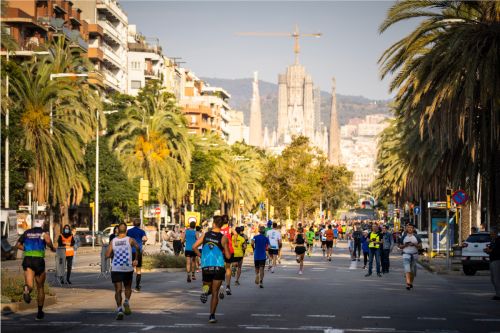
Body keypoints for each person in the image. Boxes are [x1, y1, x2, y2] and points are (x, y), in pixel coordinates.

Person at [193, 215, 231, 323]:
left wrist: (201, 256)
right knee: (215, 292)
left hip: (206, 266)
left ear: (213, 224)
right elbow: (228, 256)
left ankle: (204, 292)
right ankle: (212, 316)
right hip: (218, 267)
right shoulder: (224, 238)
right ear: (221, 225)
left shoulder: (206, 235)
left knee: (206, 285)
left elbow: (194, 247)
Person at [16, 218, 56, 320]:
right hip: (38, 261)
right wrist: (52, 247)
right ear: (42, 225)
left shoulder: (27, 232)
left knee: (29, 284)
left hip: (28, 259)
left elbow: (17, 245)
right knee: (40, 287)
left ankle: (26, 290)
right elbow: (48, 241)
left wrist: (26, 249)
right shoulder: (43, 233)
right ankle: (39, 312)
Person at [106, 223, 140, 320]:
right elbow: (138, 248)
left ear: (117, 231)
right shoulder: (130, 240)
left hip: (116, 268)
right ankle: (126, 301)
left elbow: (107, 255)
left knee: (118, 290)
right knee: (128, 287)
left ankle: (119, 309)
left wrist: (113, 254)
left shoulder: (113, 241)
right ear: (126, 231)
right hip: (127, 268)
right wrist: (136, 259)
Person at [398, 224, 421, 290]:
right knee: (407, 269)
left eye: (411, 228)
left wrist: (414, 244)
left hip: (414, 255)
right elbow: (399, 246)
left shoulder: (416, 236)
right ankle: (408, 283)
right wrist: (405, 245)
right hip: (406, 254)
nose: (410, 229)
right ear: (406, 229)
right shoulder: (403, 236)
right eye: (408, 227)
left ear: (413, 229)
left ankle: (411, 283)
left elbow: (420, 246)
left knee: (413, 271)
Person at [127, 220, 147, 292]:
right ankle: (137, 287)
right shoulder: (142, 231)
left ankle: (128, 286)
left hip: (130, 252)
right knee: (138, 270)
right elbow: (145, 238)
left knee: (130, 269)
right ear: (140, 224)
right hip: (138, 252)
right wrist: (143, 242)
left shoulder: (129, 231)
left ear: (133, 223)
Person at [483, 227, 500, 300]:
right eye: (491, 234)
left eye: (492, 234)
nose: (491, 235)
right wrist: (487, 250)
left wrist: (490, 251)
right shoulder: (493, 240)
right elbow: (491, 248)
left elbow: (497, 251)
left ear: (496, 233)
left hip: (497, 260)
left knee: (497, 279)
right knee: (493, 279)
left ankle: (498, 295)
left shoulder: (499, 240)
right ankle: (497, 293)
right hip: (492, 260)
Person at [220, 215, 234, 296]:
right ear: (228, 221)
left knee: (221, 268)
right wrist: (234, 241)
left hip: (220, 251)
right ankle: (228, 286)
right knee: (228, 268)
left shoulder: (219, 229)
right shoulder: (229, 229)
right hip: (229, 250)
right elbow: (235, 234)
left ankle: (221, 285)